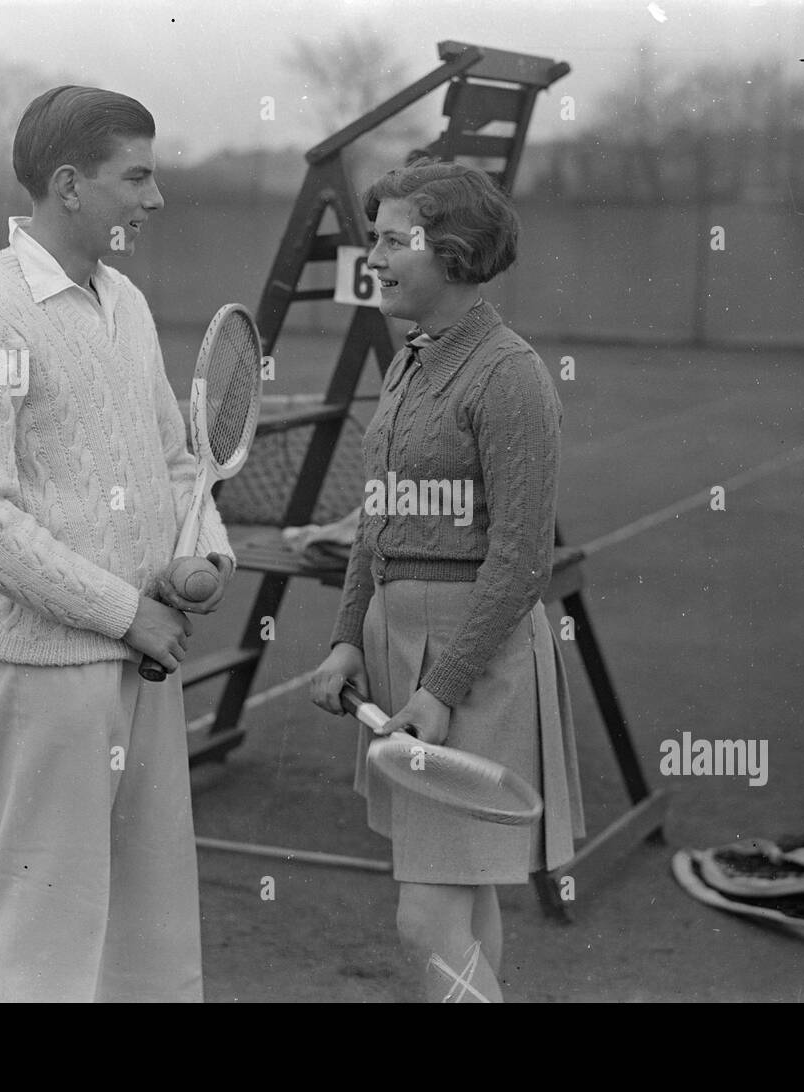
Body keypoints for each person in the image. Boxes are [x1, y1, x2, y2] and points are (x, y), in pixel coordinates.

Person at [0, 85, 234, 1002]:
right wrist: (125, 612)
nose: (155, 197)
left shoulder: (125, 300)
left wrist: (202, 555)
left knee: (151, 917)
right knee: (45, 936)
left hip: (145, 657)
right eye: (136, 175)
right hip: (50, 670)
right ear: (68, 184)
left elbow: (180, 463)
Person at [310, 159, 584, 1003]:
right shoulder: (410, 362)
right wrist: (348, 635)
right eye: (374, 237)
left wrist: (445, 684)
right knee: (462, 896)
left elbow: (520, 560)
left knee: (424, 920)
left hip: (475, 664)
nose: (376, 257)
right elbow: (377, 521)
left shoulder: (509, 376)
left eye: (396, 240)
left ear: (455, 253)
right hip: (405, 651)